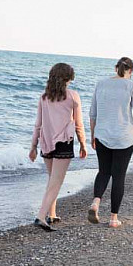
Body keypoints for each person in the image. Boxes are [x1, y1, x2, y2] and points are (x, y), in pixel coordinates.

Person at [88, 57, 133, 228]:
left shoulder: (100, 84)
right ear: (130, 71)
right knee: (118, 176)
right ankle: (113, 218)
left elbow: (93, 113)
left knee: (103, 172)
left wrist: (93, 134)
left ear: (116, 68)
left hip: (102, 135)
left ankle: (95, 202)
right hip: (124, 137)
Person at [29, 63, 87, 232]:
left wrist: (33, 146)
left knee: (52, 179)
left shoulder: (44, 97)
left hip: (45, 141)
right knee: (56, 182)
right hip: (63, 143)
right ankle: (41, 216)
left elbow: (37, 125)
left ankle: (52, 215)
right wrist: (83, 144)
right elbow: (78, 125)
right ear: (68, 78)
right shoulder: (73, 96)